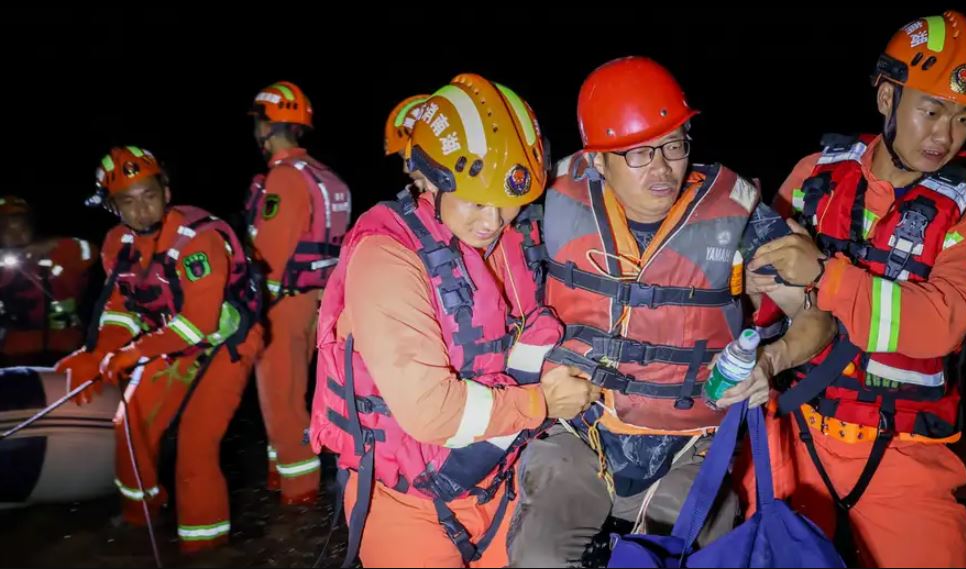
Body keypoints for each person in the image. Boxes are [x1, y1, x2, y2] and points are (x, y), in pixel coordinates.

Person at [506, 56, 834, 566]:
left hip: (688, 445)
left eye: (673, 145)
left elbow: (817, 318)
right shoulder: (549, 201)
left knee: (687, 552)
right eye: (637, 153)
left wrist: (771, 361)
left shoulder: (735, 213)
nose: (661, 168)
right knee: (541, 554)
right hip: (582, 432)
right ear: (598, 161)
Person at [745, 10, 966, 566]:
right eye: (932, 109)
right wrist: (754, 280)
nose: (945, 135)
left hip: (903, 452)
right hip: (796, 431)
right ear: (888, 97)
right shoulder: (815, 173)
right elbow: (761, 294)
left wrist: (824, 275)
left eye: (964, 118)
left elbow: (939, 321)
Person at [308, 73, 599, 567]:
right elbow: (432, 412)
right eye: (478, 202)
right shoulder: (386, 258)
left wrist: (559, 369)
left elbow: (533, 330)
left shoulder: (502, 241)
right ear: (427, 180)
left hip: (494, 483)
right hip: (404, 505)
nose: (494, 221)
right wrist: (543, 401)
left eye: (509, 206)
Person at [56, 146, 263, 554]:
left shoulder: (199, 240)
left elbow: (200, 323)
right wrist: (97, 353)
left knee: (195, 444)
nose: (141, 210)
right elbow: (122, 310)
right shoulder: (117, 245)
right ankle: (141, 518)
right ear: (114, 208)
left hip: (225, 344)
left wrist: (132, 355)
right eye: (127, 202)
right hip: (170, 343)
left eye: (148, 195)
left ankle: (206, 550)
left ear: (166, 191)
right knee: (129, 423)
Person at [245, 80, 353, 504]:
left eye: (258, 123)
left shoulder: (284, 179)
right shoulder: (328, 177)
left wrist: (251, 309)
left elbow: (270, 253)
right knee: (298, 395)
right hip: (319, 301)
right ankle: (286, 477)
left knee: (282, 401)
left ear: (268, 125)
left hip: (283, 304)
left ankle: (298, 496)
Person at [0, 195, 96, 364]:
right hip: (14, 353)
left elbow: (92, 252)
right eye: (6, 228)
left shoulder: (56, 252)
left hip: (66, 348)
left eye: (21, 226)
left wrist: (54, 246)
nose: (15, 234)